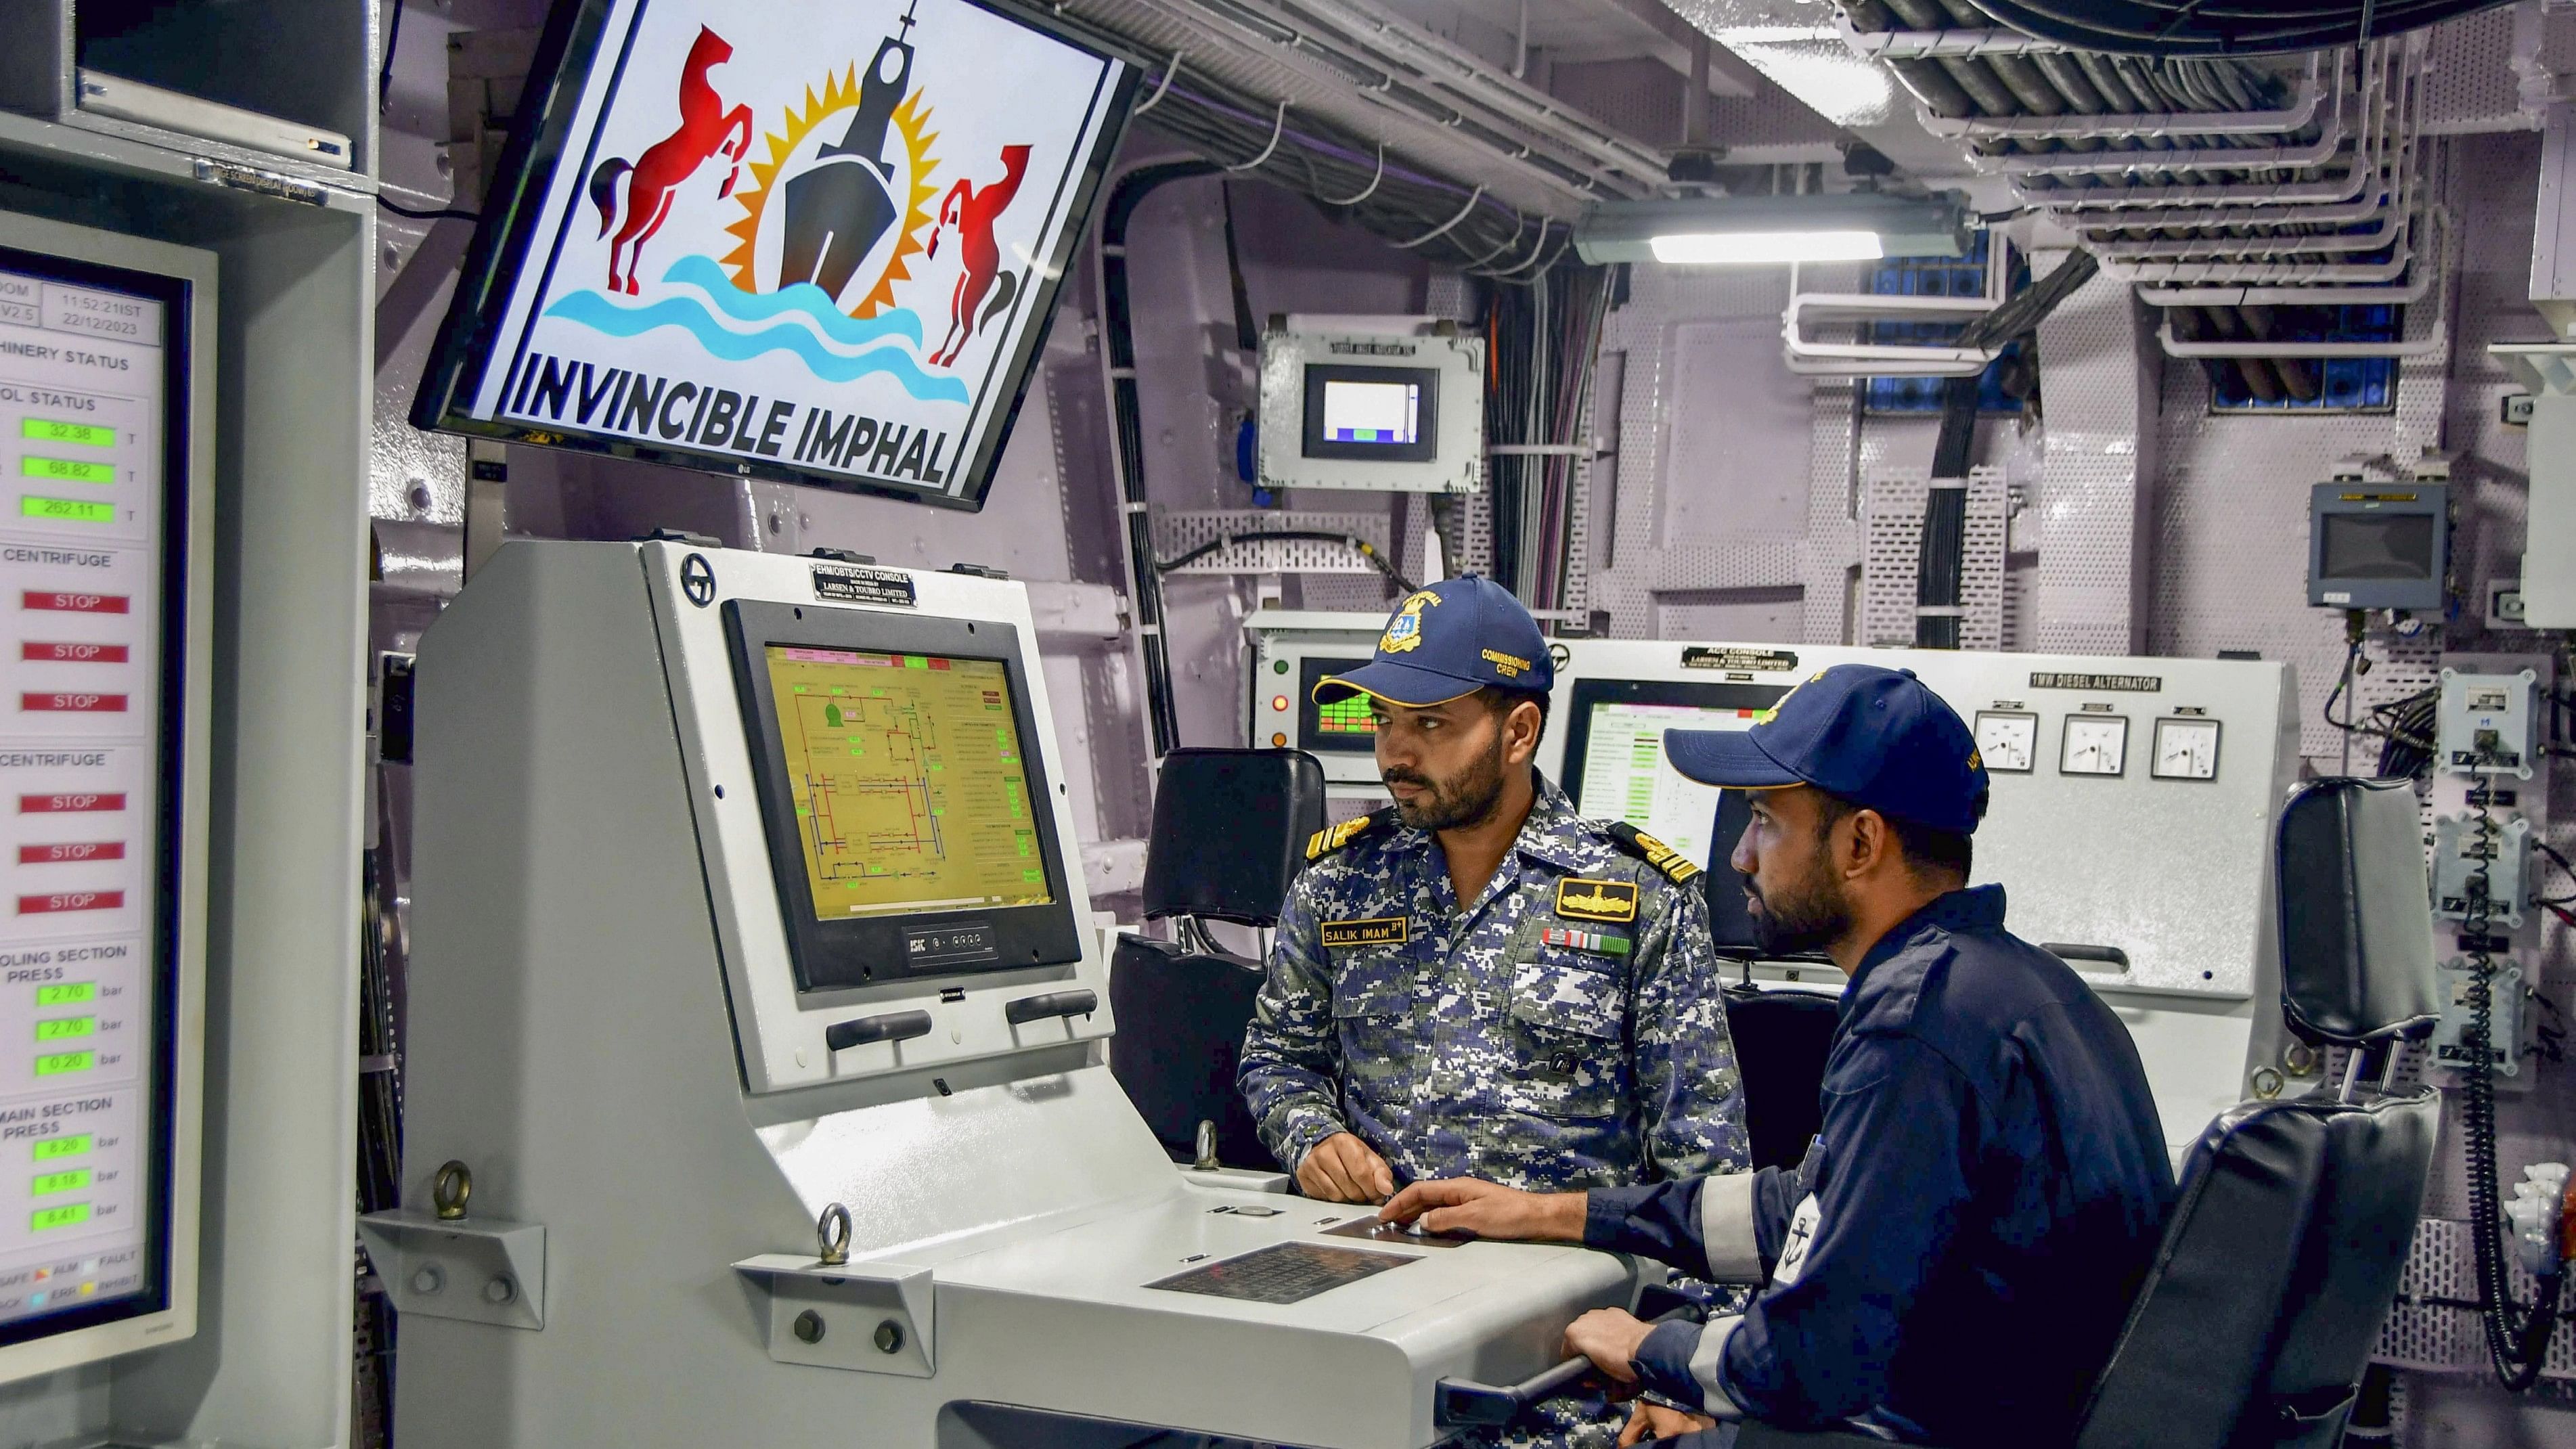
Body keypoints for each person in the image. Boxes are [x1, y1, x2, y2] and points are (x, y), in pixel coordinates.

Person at [1379, 664, 2177, 1448]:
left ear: (1860, 841)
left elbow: (1817, 1355)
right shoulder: (2014, 983)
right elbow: (1805, 1207)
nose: (1741, 857)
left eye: (1764, 819)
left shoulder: (1917, 1025)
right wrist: (1556, 1213)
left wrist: (1648, 1348)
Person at [1236, 575, 1747, 1447]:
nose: (1393, 751)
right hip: (1363, 1325)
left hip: (1562, 1363)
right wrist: (1308, 1133)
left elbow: (1704, 1166)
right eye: (1381, 719)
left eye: (1428, 723)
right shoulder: (1336, 883)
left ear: (1518, 731)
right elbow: (1274, 1055)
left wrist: (1679, 1362)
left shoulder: (1635, 899)